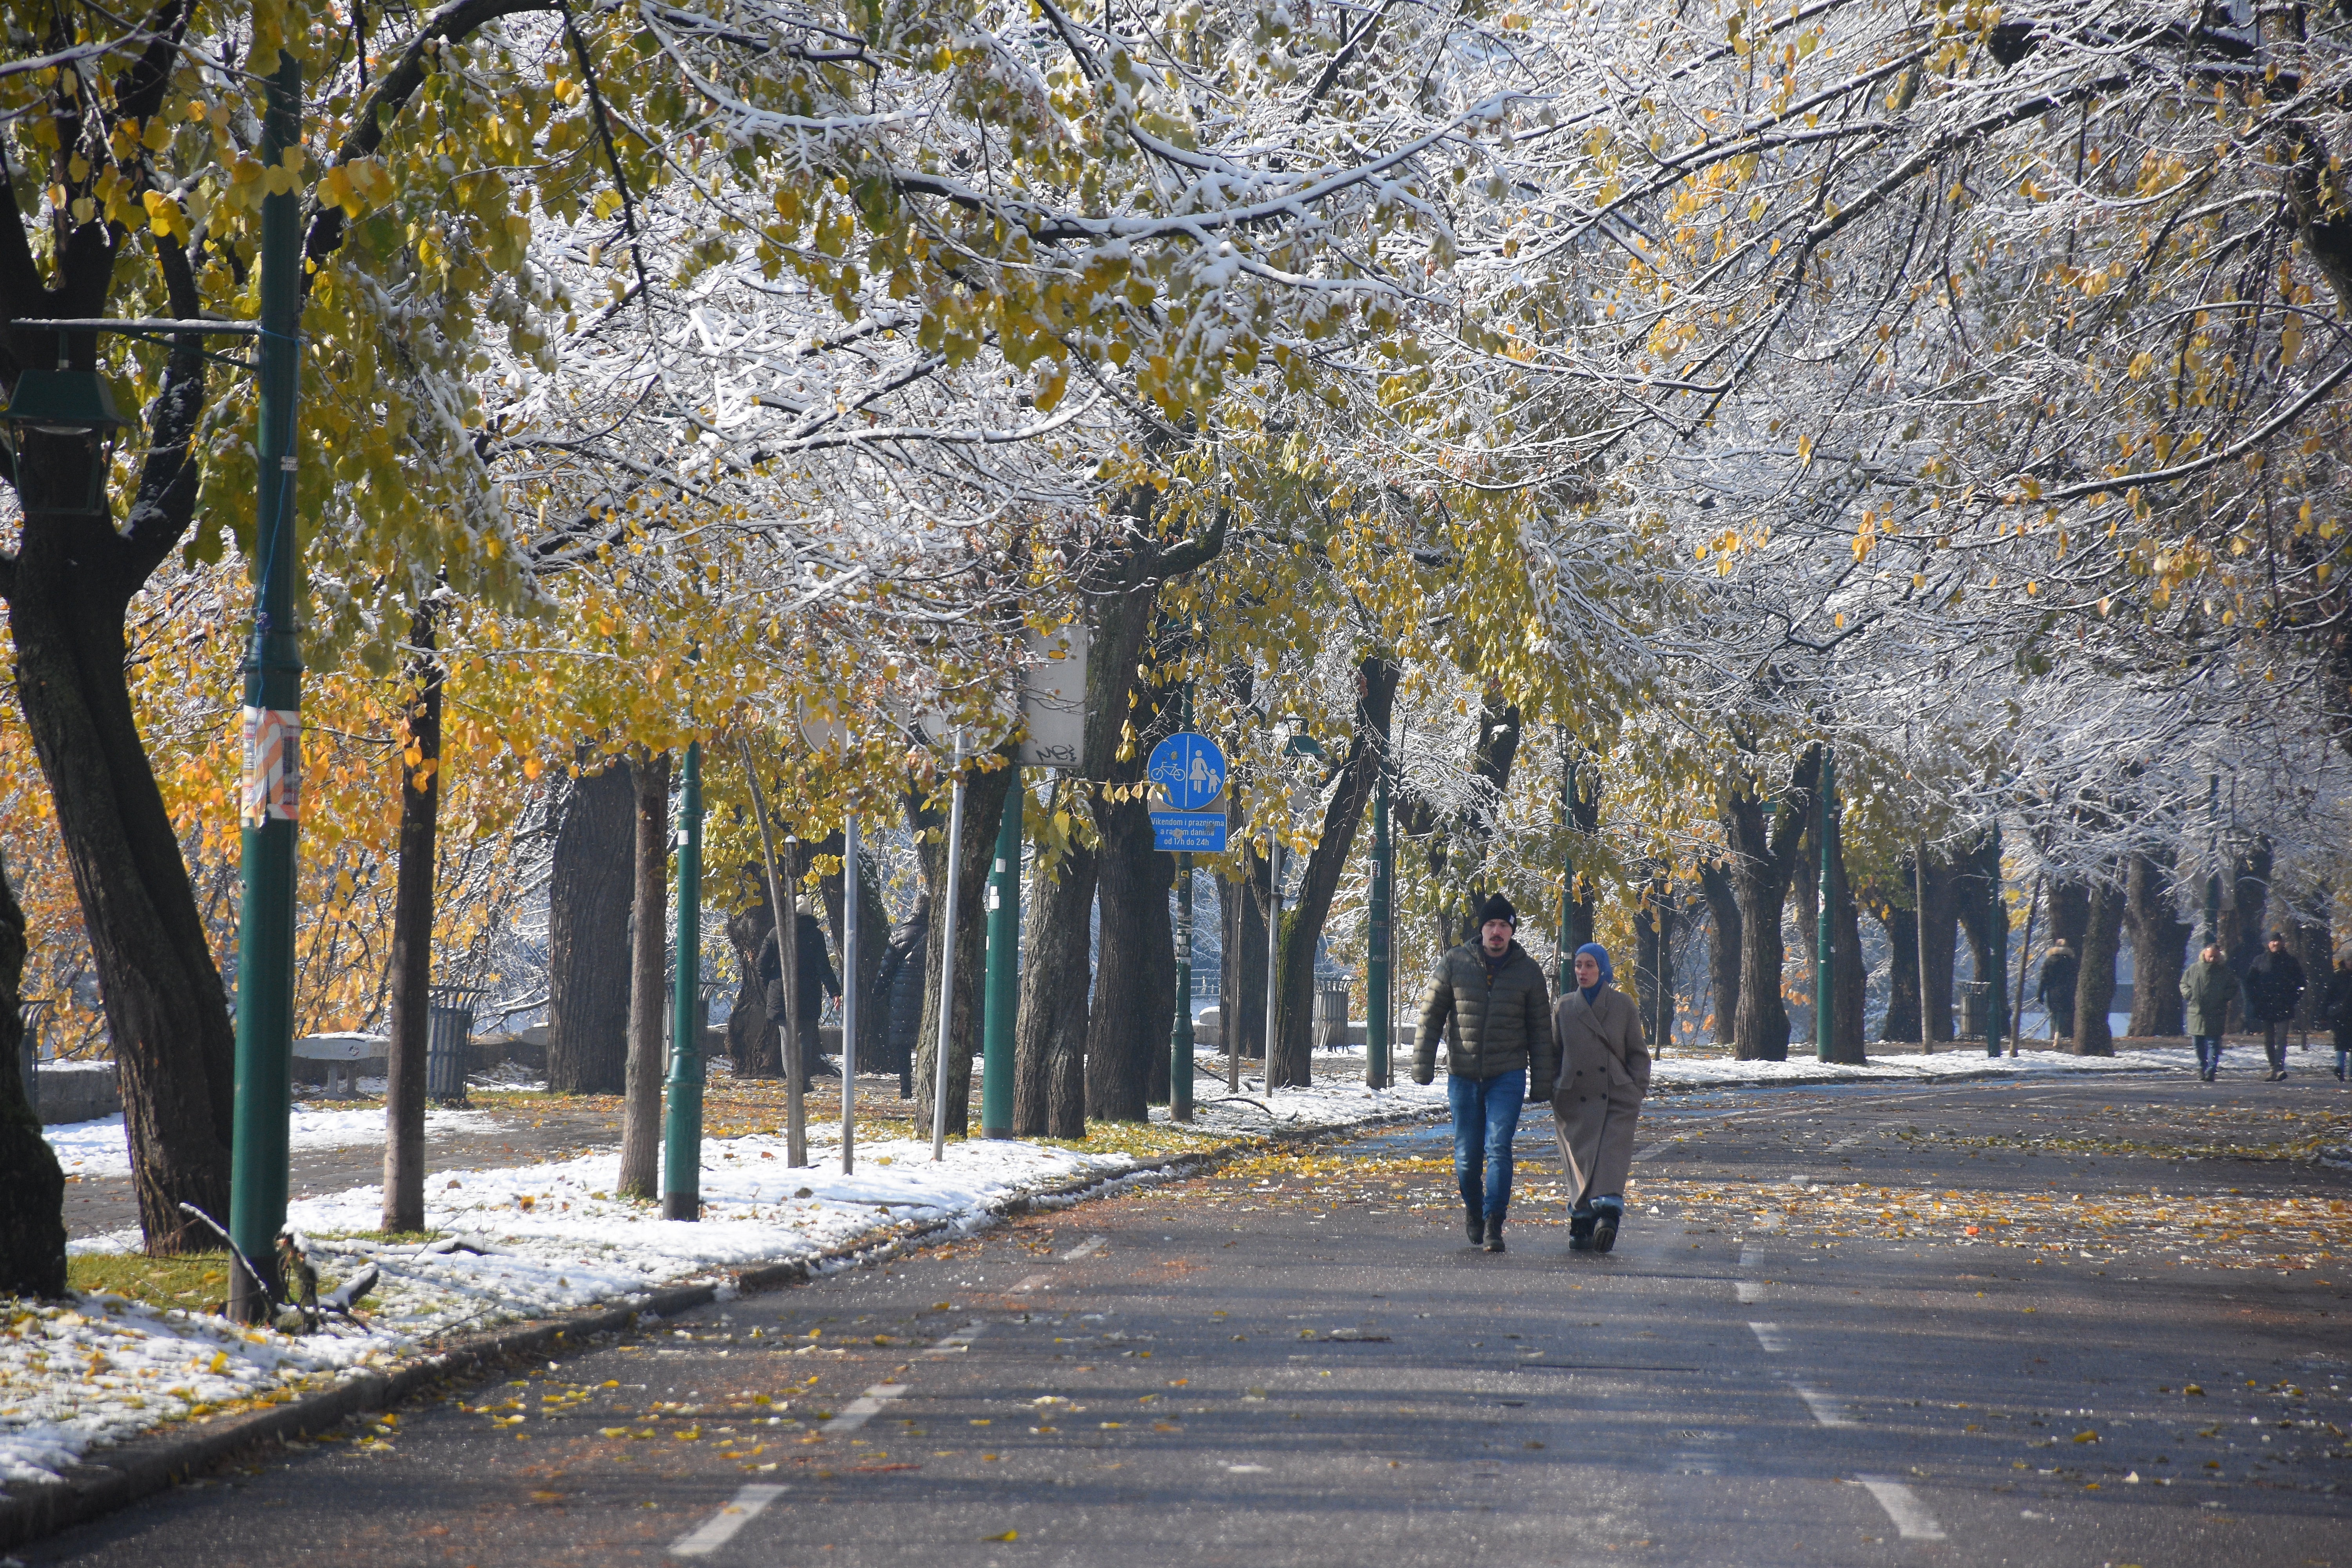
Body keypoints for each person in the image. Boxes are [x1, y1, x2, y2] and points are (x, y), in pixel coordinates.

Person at [1414, 893, 1555, 1254]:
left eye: (1503, 926)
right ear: (1482, 929)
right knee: (1466, 1156)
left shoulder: (1528, 972)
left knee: (1499, 1146)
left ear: (1512, 931)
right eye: (1491, 925)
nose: (1497, 932)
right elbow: (1431, 1016)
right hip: (1463, 1074)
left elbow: (1541, 1031)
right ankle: (1474, 1210)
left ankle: (1494, 1221)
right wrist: (1423, 1065)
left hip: (1507, 1074)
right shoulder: (1455, 962)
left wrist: (1543, 1082)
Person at [1552, 942, 1651, 1254]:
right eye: (1578, 965)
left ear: (1603, 969)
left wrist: (1636, 1089)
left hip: (1616, 1098)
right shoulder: (1564, 1008)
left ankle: (1607, 1216)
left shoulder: (1623, 1006)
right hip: (1574, 1099)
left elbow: (1638, 1053)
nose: (1582, 971)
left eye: (1590, 965)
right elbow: (1553, 1054)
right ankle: (1581, 1220)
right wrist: (1555, 1089)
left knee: (1609, 1156)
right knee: (1579, 1162)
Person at [759, 908, 842, 1079]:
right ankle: (803, 1080)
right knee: (804, 1039)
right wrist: (834, 992)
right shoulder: (815, 935)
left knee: (787, 1040)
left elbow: (761, 964)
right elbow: (824, 967)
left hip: (781, 993)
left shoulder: (777, 932)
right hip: (808, 994)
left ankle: (792, 1081)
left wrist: (772, 983)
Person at [2243, 930, 2307, 1082]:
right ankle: (2273, 1067)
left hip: (2284, 1004)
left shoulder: (2291, 961)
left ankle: (2279, 1068)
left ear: (2283, 943)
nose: (2276, 943)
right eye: (2273, 941)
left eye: (2278, 941)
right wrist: (2256, 1000)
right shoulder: (2259, 961)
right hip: (2265, 1005)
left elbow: (2301, 983)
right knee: (2268, 1039)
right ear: (2268, 944)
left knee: (2281, 1038)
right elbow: (2250, 983)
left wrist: (2292, 999)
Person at [2180, 941, 2235, 1082]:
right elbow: (2184, 984)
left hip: (2216, 1012)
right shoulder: (2193, 969)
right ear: (2204, 955)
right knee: (2198, 1043)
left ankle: (2211, 1069)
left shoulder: (2224, 972)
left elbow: (2233, 987)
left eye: (2215, 957)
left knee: (2213, 1043)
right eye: (2210, 956)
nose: (2212, 959)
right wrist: (2190, 994)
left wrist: (2223, 997)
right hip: (2196, 1012)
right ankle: (2202, 1067)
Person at [2036, 938, 2080, 1042]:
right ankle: (2059, 1034)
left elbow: (2044, 979)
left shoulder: (2049, 961)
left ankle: (2055, 1033)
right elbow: (2076, 978)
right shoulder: (2071, 961)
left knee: (2055, 1012)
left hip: (2052, 991)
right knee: (2063, 1013)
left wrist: (2040, 994)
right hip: (2068, 991)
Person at [2324, 950, 2352, 1083]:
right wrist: (2324, 1012)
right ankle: (2339, 1069)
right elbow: (2329, 996)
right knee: (2340, 1042)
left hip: (2345, 1013)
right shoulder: (2337, 977)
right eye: (2350, 960)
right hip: (2340, 1014)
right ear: (2345, 961)